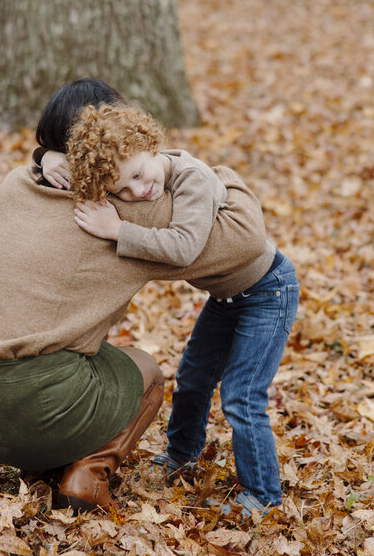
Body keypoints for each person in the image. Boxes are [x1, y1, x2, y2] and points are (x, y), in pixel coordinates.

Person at [0, 79, 273, 511]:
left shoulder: (13, 186)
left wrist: (43, 157)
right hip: (36, 403)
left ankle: (43, 464)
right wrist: (216, 174)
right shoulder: (123, 213)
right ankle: (87, 474)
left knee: (87, 356)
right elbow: (247, 239)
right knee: (145, 371)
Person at [64, 103, 299, 515]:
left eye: (139, 174)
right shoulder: (152, 181)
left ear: (152, 145)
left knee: (242, 395)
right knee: (192, 377)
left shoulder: (193, 177)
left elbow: (184, 247)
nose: (139, 191)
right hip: (226, 299)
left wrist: (119, 229)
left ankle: (264, 495)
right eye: (123, 190)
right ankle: (182, 455)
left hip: (268, 290)